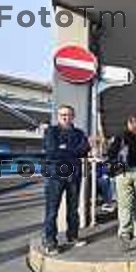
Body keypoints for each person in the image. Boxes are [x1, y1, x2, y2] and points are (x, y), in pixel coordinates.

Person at [42, 104, 91, 255]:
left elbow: (85, 150)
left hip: (74, 176)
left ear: (73, 116)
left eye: (68, 115)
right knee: (52, 211)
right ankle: (50, 241)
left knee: (73, 209)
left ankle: (73, 236)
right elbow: (51, 152)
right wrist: (73, 151)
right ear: (58, 116)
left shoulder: (79, 133)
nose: (65, 117)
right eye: (62, 115)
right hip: (55, 176)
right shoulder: (51, 131)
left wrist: (63, 149)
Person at [107, 114, 136, 251]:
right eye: (134, 124)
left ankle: (129, 231)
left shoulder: (121, 137)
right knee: (133, 202)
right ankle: (133, 231)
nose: (135, 126)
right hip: (131, 172)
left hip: (128, 173)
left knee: (129, 203)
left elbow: (111, 154)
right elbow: (111, 154)